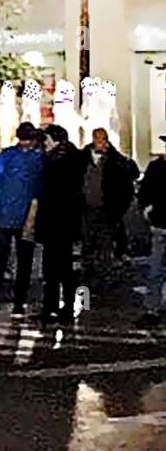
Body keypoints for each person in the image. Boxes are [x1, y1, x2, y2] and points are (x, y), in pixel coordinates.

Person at [0, 121, 43, 321]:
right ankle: (17, 302)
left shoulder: (8, 155)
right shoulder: (36, 158)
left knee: (1, 259)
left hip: (8, 214)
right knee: (21, 260)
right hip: (24, 215)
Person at [77, 127, 138, 289]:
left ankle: (104, 276)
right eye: (97, 139)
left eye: (103, 139)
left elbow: (131, 172)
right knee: (88, 242)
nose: (100, 143)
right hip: (87, 208)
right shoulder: (83, 158)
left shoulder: (114, 159)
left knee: (105, 244)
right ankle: (89, 274)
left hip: (106, 209)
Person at [37, 125, 85, 326]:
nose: (43, 144)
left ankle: (54, 307)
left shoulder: (57, 162)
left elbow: (50, 194)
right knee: (62, 268)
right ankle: (59, 306)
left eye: (46, 140)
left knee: (56, 268)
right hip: (65, 222)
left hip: (57, 222)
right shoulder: (71, 159)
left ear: (55, 140)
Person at [137, 135, 166, 327]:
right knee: (155, 269)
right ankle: (152, 308)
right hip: (160, 223)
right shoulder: (156, 167)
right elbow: (145, 191)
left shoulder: (156, 167)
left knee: (156, 268)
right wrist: (147, 208)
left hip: (159, 222)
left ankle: (153, 308)